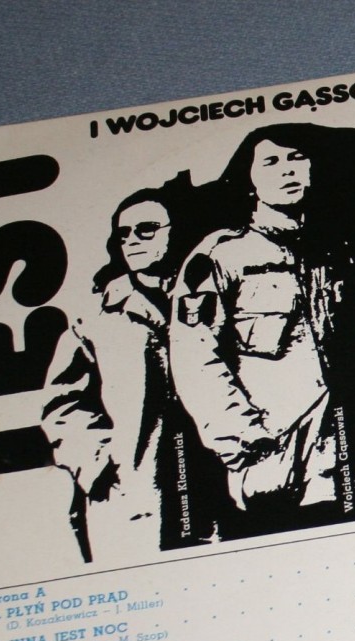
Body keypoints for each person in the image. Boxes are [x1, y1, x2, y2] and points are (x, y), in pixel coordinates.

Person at [169, 127, 354, 536]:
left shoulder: (333, 250)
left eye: (297, 159)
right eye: (271, 162)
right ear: (249, 178)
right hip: (267, 443)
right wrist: (243, 437)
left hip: (335, 442)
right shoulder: (220, 254)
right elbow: (194, 356)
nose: (287, 171)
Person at [42, 175, 223, 560]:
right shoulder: (96, 316)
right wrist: (97, 468)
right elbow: (63, 405)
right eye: (124, 234)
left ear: (177, 231)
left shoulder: (213, 294)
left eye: (146, 229)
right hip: (136, 492)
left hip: (214, 484)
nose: (133, 240)